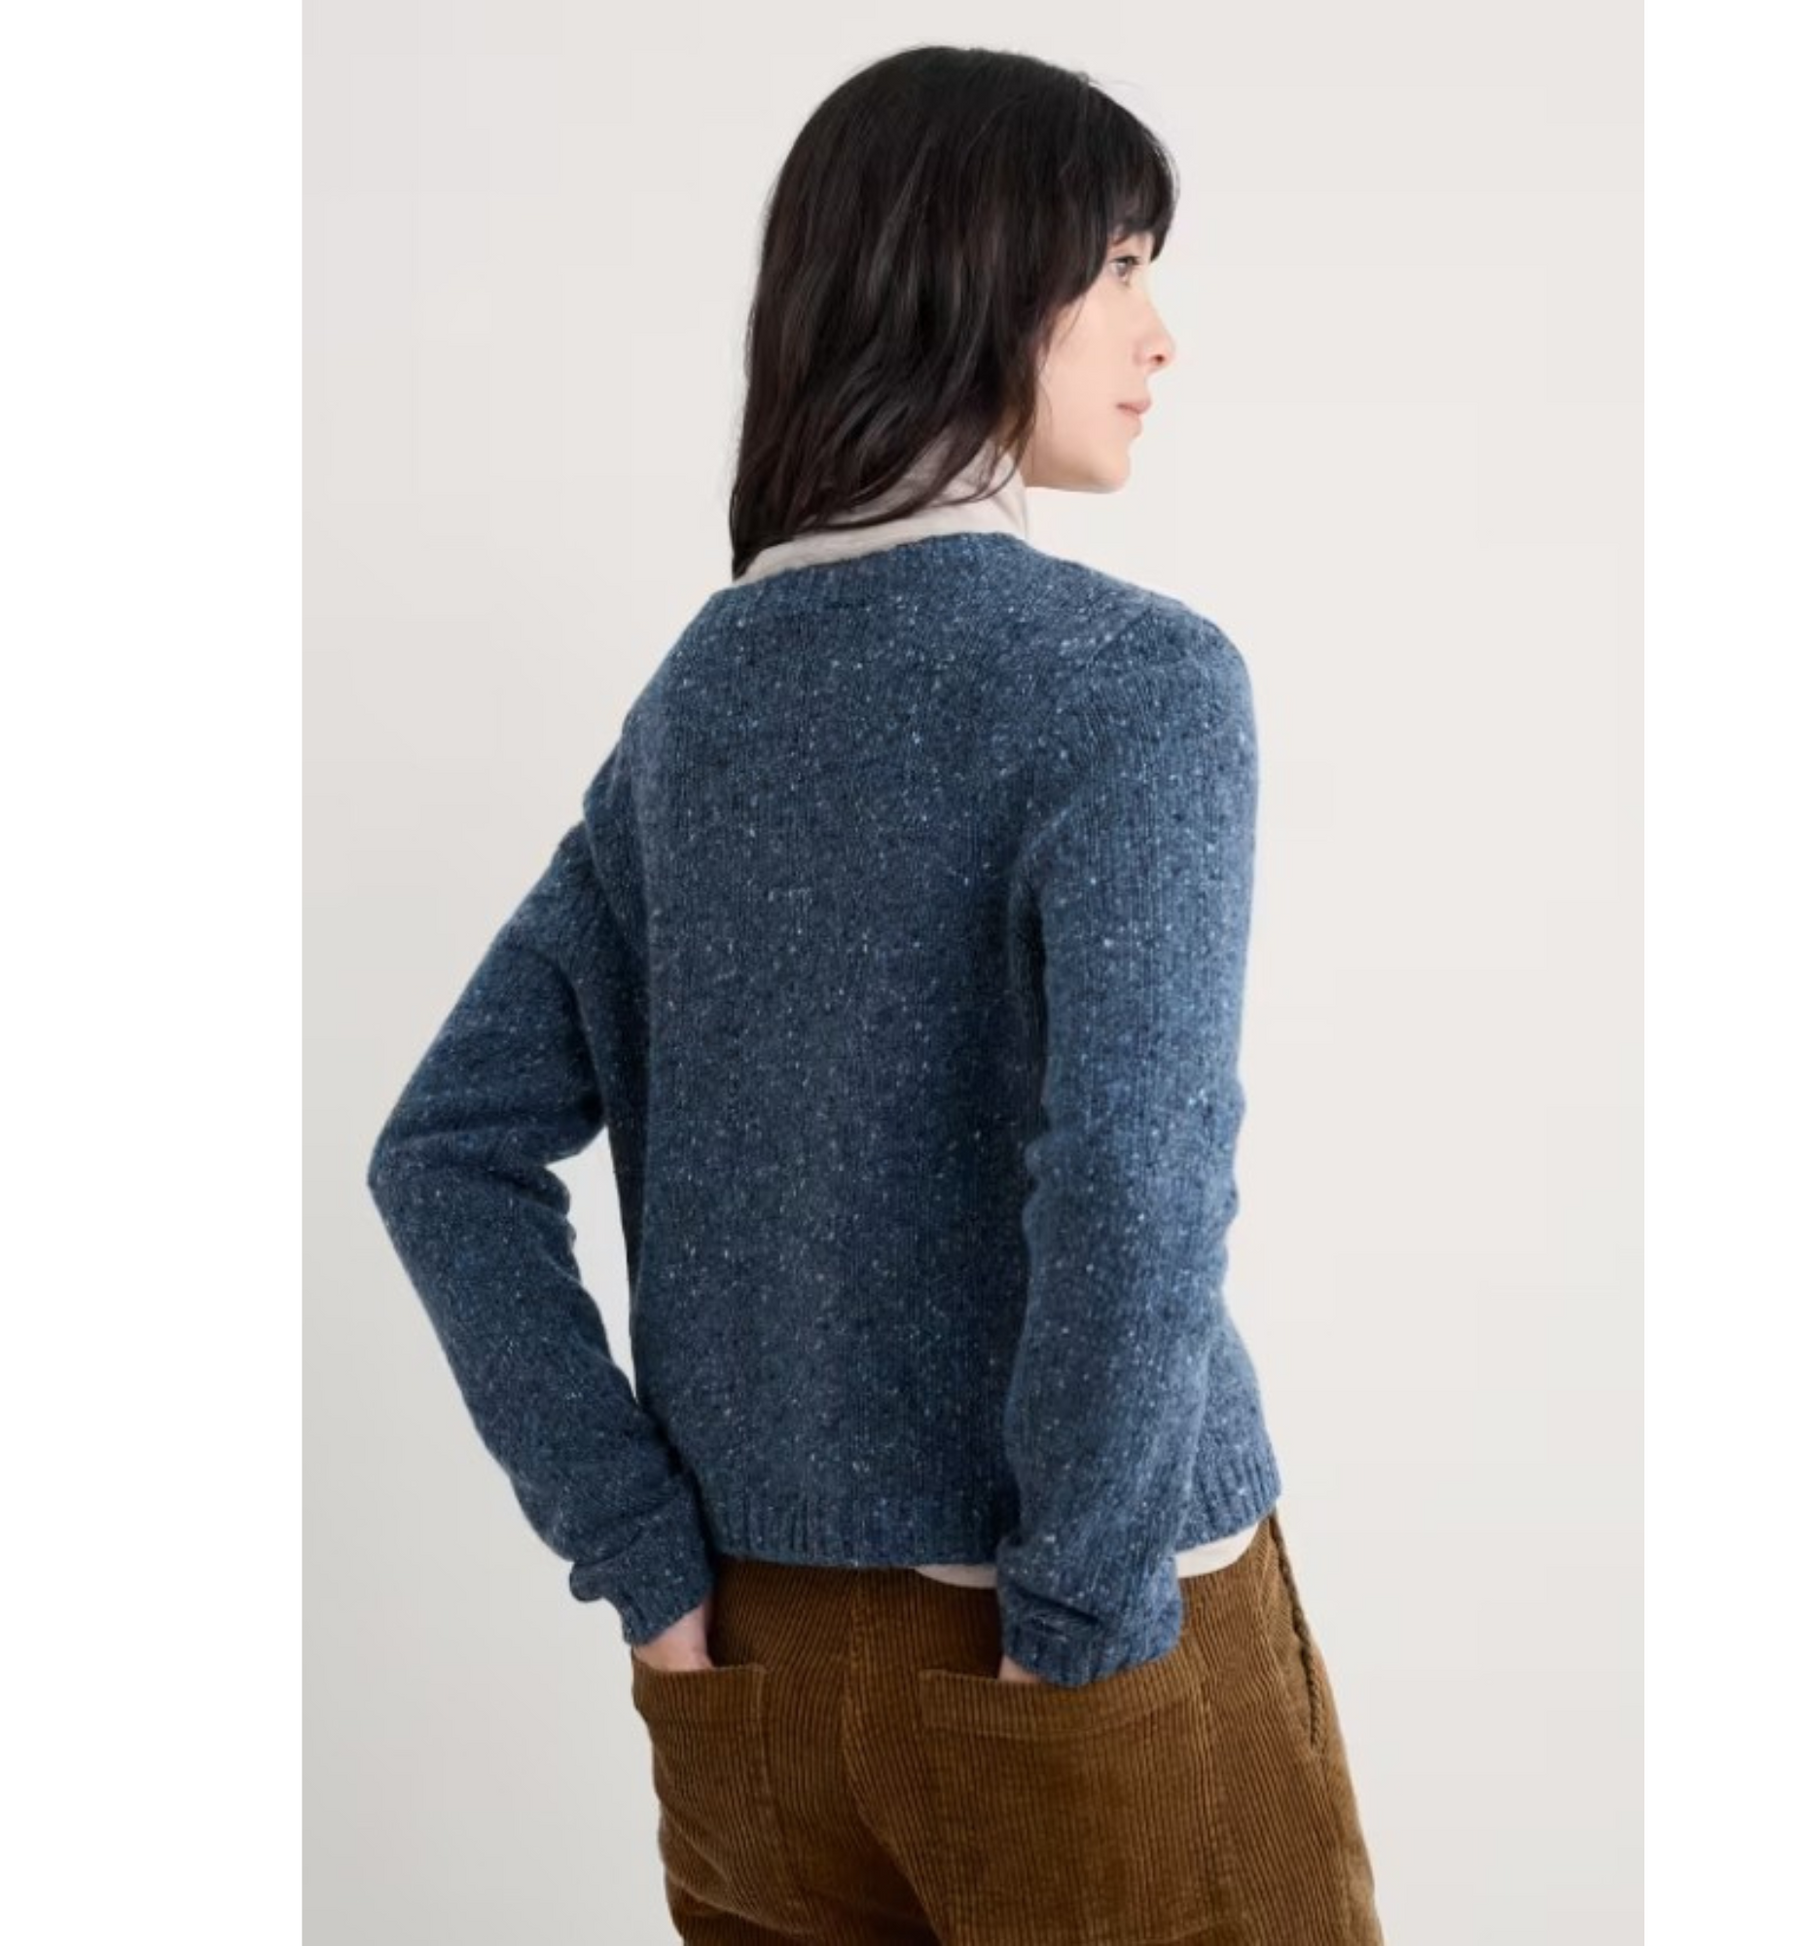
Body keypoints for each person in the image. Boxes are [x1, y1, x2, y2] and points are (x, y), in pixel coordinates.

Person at [367, 42, 1385, 1945]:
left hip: (754, 1679)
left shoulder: (704, 699)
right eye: (1122, 265)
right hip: (1080, 1654)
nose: (1160, 334)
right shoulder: (1130, 678)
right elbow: (1133, 1176)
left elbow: (443, 1150)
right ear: (979, 276)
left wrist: (643, 1549)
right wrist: (1079, 1617)